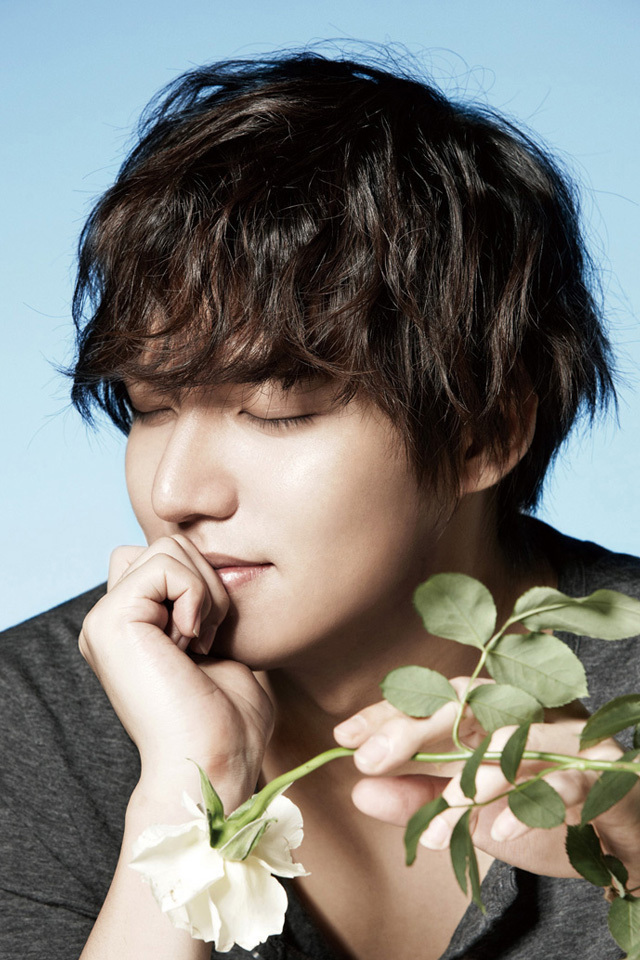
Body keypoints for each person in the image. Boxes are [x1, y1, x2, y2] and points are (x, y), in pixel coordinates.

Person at [1, 51, 639, 960]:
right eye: (150, 408)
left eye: (276, 411)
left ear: (484, 431)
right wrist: (189, 785)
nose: (175, 493)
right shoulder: (31, 724)